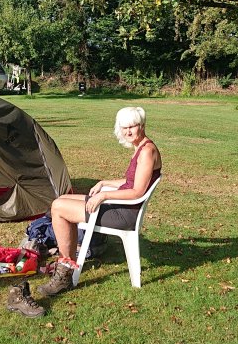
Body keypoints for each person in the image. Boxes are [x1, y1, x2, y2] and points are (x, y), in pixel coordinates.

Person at [37, 106, 162, 296]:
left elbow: (137, 192)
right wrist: (104, 183)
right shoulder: (142, 147)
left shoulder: (147, 151)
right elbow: (131, 182)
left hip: (125, 214)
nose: (128, 131)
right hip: (121, 207)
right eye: (124, 127)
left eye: (132, 126)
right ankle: (67, 264)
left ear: (142, 125)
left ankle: (64, 273)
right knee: (62, 199)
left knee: (59, 208)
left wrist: (104, 195)